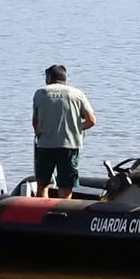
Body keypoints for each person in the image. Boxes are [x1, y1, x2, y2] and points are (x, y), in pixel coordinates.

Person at [32, 64, 96, 199]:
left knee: (42, 185)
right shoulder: (77, 94)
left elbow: (35, 123)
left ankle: (42, 214)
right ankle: (63, 212)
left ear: (49, 78)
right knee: (66, 186)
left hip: (45, 145)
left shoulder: (40, 93)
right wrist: (78, 128)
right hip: (69, 145)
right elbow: (91, 120)